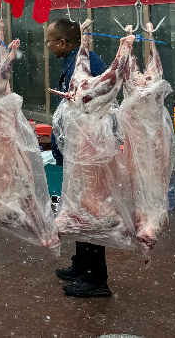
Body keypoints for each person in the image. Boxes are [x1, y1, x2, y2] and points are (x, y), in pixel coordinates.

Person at [46, 18, 110, 298]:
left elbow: (94, 106)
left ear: (62, 42)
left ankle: (96, 279)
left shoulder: (86, 64)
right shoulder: (74, 61)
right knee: (78, 209)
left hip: (88, 152)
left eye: (49, 40)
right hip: (77, 150)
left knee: (89, 212)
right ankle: (82, 264)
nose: (47, 46)